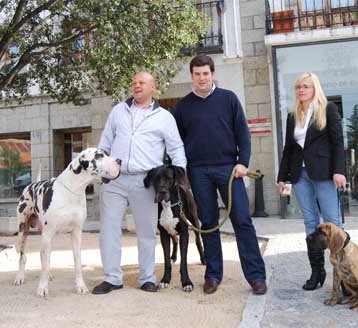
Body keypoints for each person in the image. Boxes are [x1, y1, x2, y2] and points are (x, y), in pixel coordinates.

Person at [173, 55, 267, 295]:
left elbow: (243, 134)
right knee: (209, 223)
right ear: (191, 76)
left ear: (213, 74)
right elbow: (177, 142)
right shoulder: (182, 107)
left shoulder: (229, 99)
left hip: (229, 169)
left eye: (206, 73)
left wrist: (243, 163)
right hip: (198, 171)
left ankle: (256, 276)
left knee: (243, 222)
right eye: (197, 74)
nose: (202, 78)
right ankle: (213, 274)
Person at [92, 71, 186, 294]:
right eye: (133, 82)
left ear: (153, 88)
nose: (136, 86)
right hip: (114, 179)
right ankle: (112, 278)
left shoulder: (165, 117)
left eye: (141, 83)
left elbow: (176, 148)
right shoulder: (118, 111)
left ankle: (147, 278)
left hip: (145, 181)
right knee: (109, 229)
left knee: (145, 231)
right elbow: (105, 144)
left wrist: (180, 177)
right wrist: (101, 170)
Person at [276, 72, 346, 291]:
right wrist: (282, 177)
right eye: (298, 87)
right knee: (310, 222)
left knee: (333, 223)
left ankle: (343, 277)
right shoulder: (292, 116)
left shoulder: (328, 110)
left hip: (324, 173)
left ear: (315, 88)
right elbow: (288, 148)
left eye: (306, 86)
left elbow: (337, 142)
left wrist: (339, 171)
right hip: (300, 175)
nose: (301, 90)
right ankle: (317, 272)